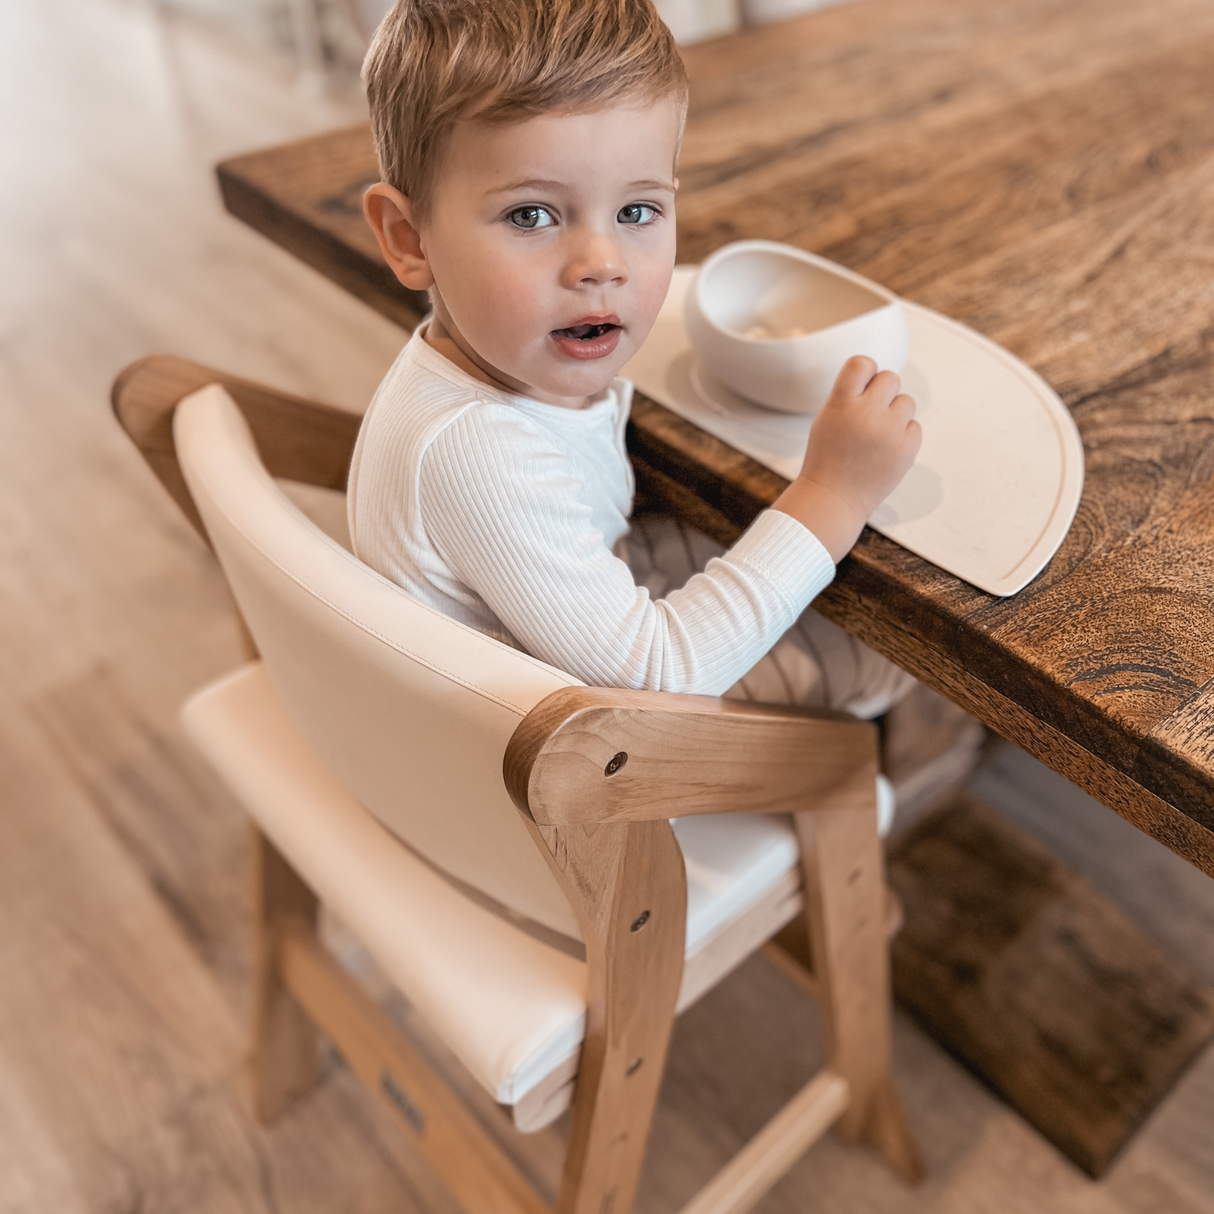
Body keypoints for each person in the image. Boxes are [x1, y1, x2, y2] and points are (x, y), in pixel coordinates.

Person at [349, 0, 921, 728]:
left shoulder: (490, 357)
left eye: (637, 211)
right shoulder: (472, 449)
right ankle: (907, 772)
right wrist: (834, 493)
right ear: (409, 237)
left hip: (569, 645)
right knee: (888, 651)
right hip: (571, 766)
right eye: (532, 216)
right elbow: (662, 676)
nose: (602, 265)